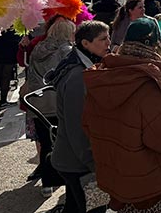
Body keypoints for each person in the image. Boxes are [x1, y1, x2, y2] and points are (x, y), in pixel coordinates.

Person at [83, 18, 161, 213]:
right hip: (146, 184)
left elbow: (87, 124)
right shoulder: (149, 83)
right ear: (156, 46)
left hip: (114, 176)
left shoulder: (102, 76)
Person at [47, 20, 111, 213]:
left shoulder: (86, 65)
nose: (109, 43)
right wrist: (94, 164)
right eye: (103, 39)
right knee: (95, 209)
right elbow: (78, 128)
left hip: (75, 159)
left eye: (108, 37)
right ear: (85, 43)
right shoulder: (78, 77)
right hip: (76, 162)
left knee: (74, 207)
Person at [22, 18, 74, 197]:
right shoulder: (66, 50)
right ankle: (65, 181)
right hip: (58, 102)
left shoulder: (38, 48)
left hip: (38, 102)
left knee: (45, 143)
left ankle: (47, 183)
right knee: (63, 143)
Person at [0, 30, 20, 109]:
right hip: (9, 53)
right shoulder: (13, 28)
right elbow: (17, 38)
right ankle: (3, 101)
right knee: (6, 77)